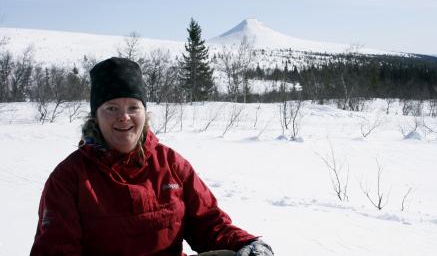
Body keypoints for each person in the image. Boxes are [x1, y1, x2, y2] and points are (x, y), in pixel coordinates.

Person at [30, 57, 274, 256]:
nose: (124, 117)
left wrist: (246, 244)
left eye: (133, 108)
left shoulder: (170, 163)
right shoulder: (69, 178)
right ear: (95, 117)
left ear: (145, 114)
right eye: (112, 108)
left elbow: (208, 222)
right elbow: (55, 249)